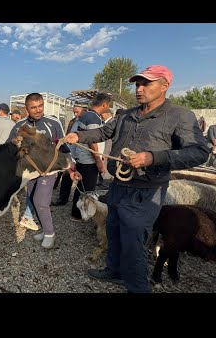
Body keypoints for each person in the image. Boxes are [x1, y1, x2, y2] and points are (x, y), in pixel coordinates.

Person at [64, 65, 210, 293]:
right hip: (119, 186)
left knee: (133, 241)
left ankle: (138, 286)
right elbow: (103, 132)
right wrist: (79, 135)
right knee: (114, 230)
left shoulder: (179, 116)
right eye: (137, 84)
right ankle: (115, 271)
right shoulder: (127, 115)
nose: (139, 89)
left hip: (147, 191)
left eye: (146, 83)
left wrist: (153, 157)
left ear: (165, 86)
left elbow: (199, 152)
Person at [7, 93, 80, 249]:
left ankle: (49, 233)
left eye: (40, 106)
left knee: (41, 201)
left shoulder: (53, 123)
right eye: (33, 107)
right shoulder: (19, 126)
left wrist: (71, 169)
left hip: (48, 171)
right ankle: (43, 229)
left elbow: (65, 148)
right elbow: (9, 148)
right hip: (29, 172)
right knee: (33, 199)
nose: (38, 110)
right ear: (26, 109)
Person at [69, 93, 111, 221]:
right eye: (108, 105)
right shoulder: (93, 117)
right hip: (89, 160)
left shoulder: (87, 115)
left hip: (83, 158)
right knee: (86, 190)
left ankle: (77, 212)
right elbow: (92, 140)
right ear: (104, 104)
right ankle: (80, 214)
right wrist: (98, 160)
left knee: (82, 187)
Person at [52, 103, 87, 206]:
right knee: (67, 177)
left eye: (77, 112)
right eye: (74, 112)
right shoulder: (73, 122)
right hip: (70, 153)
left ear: (84, 110)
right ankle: (62, 199)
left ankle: (79, 202)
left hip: (82, 155)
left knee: (79, 177)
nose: (75, 114)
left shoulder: (86, 122)